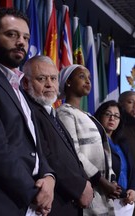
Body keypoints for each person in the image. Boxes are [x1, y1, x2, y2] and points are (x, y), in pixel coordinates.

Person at [0, 8, 55, 216]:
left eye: (25, 37)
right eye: (11, 35)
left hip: (28, 201)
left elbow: (34, 144)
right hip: (1, 200)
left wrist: (49, 176)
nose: (21, 43)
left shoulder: (18, 87)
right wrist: (34, 193)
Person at [22, 55, 94, 215]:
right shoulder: (29, 112)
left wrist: (85, 182)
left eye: (53, 79)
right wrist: (79, 187)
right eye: (41, 78)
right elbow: (47, 156)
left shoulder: (50, 112)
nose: (49, 84)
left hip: (71, 202)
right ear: (26, 83)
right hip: (55, 203)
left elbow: (72, 155)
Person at [57, 64, 121, 216]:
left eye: (89, 78)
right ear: (68, 82)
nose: (88, 81)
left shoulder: (88, 115)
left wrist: (111, 180)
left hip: (102, 191)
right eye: (81, 76)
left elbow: (105, 151)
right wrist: (102, 182)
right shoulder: (65, 113)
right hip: (87, 189)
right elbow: (74, 152)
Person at [94, 100, 135, 215]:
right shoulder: (95, 141)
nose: (112, 118)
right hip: (107, 198)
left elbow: (133, 169)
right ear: (100, 115)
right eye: (108, 114)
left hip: (126, 202)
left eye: (116, 116)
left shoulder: (122, 143)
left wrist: (134, 189)